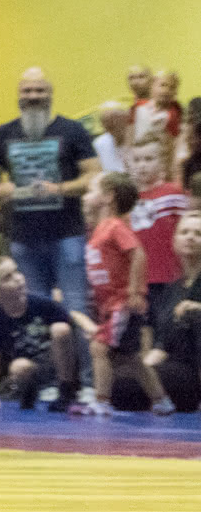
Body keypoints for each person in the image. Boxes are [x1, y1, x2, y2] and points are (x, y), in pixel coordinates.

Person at [0, 67, 99, 402]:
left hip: (68, 235)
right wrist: (1, 190)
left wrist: (58, 187)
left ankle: (88, 384)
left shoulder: (72, 130)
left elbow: (93, 176)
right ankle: (51, 383)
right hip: (23, 238)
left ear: (50, 94)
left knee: (75, 308)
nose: (33, 97)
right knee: (34, 316)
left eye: (39, 91)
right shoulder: (3, 134)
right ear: (19, 95)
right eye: (27, 91)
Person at [79, 172, 172, 416]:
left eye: (93, 189)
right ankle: (161, 400)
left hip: (121, 303)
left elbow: (138, 254)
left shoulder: (116, 227)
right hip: (109, 304)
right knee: (130, 358)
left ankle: (101, 401)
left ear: (108, 197)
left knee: (99, 348)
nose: (88, 194)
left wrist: (134, 291)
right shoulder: (100, 227)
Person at [0, 257, 76, 412]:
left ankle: (66, 390)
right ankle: (29, 392)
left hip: (56, 361)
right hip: (33, 367)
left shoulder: (40, 303)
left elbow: (70, 321)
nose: (18, 278)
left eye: (17, 271)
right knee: (18, 367)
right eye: (8, 277)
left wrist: (88, 327)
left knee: (61, 329)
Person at [147, 212, 201, 413]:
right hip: (176, 367)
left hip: (192, 369)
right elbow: (162, 344)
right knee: (124, 384)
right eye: (185, 232)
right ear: (175, 241)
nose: (190, 237)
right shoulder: (172, 289)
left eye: (198, 233)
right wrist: (144, 370)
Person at [127, 132, 187, 298]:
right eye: (137, 160)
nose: (142, 165)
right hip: (141, 280)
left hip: (171, 275)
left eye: (148, 159)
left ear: (161, 161)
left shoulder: (173, 193)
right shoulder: (128, 199)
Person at [133, 70, 182, 142]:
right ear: (152, 86)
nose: (166, 90)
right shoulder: (139, 107)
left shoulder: (174, 115)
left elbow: (173, 140)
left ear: (175, 92)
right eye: (163, 85)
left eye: (172, 87)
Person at [93, 101, 132, 174]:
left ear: (126, 119)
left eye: (115, 120)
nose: (113, 125)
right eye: (106, 123)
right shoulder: (99, 143)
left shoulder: (138, 138)